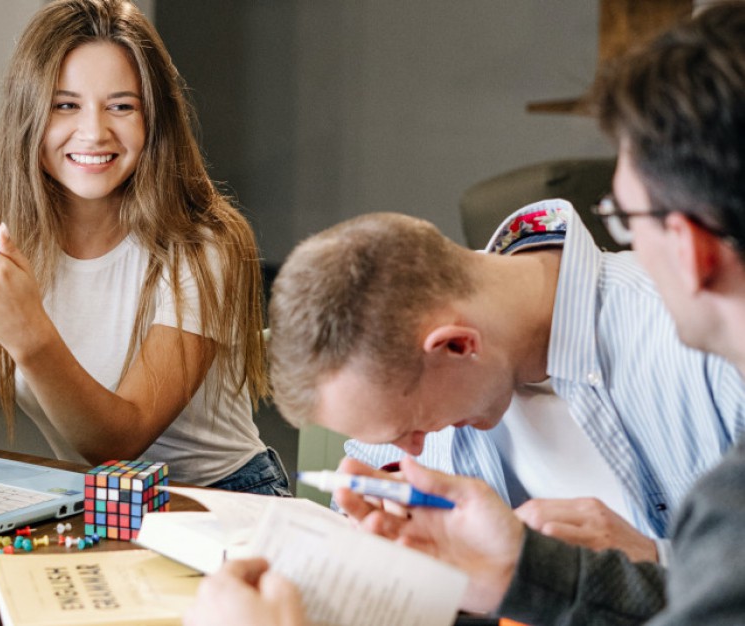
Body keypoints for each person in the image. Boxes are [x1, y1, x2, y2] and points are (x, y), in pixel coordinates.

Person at [184, 3, 745, 624]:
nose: (411, 451)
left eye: (628, 219)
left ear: (455, 346)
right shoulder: (409, 370)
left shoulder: (710, 345)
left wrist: (655, 560)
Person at [0, 0, 289, 495]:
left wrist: (30, 333)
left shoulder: (203, 245)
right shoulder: (7, 239)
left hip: (222, 497)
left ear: (155, 120)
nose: (93, 131)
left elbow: (120, 443)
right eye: (65, 105)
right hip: (99, 497)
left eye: (121, 106)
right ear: (28, 115)